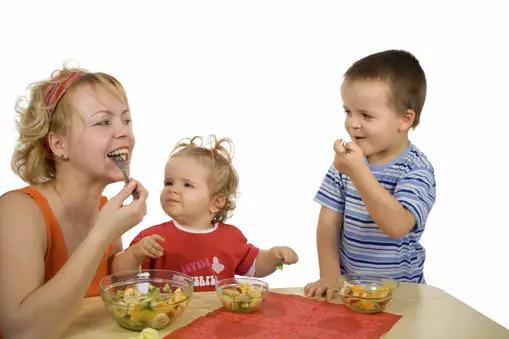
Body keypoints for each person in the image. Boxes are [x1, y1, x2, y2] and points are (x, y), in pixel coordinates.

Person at [0, 66, 148, 338]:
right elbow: (20, 333)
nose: (124, 133)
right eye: (103, 122)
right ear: (58, 145)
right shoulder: (19, 211)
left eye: (126, 121)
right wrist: (103, 233)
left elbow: (117, 309)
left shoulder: (106, 211)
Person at [304, 50, 436, 300]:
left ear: (404, 119)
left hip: (401, 295)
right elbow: (328, 223)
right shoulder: (345, 164)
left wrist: (359, 173)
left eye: (366, 115)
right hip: (350, 292)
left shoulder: (415, 168)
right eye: (348, 111)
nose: (353, 123)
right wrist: (330, 275)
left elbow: (397, 226)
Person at [113, 136, 299, 291]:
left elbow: (256, 267)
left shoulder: (231, 237)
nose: (172, 190)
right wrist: (136, 254)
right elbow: (118, 277)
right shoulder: (153, 238)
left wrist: (275, 257)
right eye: (169, 182)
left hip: (219, 324)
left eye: (187, 185)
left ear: (216, 202)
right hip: (171, 322)